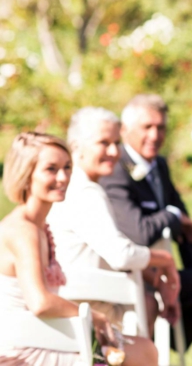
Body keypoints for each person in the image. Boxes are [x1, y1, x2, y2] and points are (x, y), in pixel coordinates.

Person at [100, 95, 192, 366]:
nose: (155, 135)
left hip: (163, 273)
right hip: (132, 277)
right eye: (147, 127)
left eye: (161, 127)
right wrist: (172, 216)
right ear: (125, 130)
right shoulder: (116, 170)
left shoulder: (159, 165)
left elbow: (185, 224)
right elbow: (140, 232)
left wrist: (189, 265)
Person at [0, 132, 157, 365]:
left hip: (47, 335)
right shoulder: (24, 231)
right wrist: (94, 316)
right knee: (144, 352)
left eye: (67, 167)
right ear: (26, 174)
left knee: (143, 349)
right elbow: (40, 302)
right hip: (23, 351)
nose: (63, 177)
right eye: (51, 169)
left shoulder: (38, 225)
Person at [48, 107, 181, 333]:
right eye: (103, 143)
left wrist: (155, 278)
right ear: (77, 147)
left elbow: (105, 248)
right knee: (148, 305)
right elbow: (121, 255)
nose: (113, 151)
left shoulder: (72, 187)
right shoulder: (85, 192)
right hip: (85, 308)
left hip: (79, 296)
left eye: (116, 143)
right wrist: (165, 259)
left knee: (147, 300)